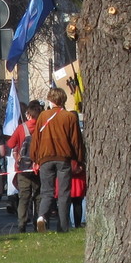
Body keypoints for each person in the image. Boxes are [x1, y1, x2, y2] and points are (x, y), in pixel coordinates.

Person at [31, 88, 85, 232]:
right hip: (63, 159)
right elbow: (76, 141)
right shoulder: (70, 117)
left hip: (45, 158)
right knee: (63, 193)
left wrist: (35, 159)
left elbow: (36, 139)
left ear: (50, 100)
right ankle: (62, 226)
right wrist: (79, 160)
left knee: (47, 191)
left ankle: (42, 216)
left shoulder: (43, 116)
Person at [6, 103, 41, 231]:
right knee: (38, 196)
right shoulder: (42, 127)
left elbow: (10, 144)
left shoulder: (22, 128)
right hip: (39, 167)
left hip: (23, 168)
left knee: (24, 197)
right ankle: (38, 221)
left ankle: (22, 223)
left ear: (29, 115)